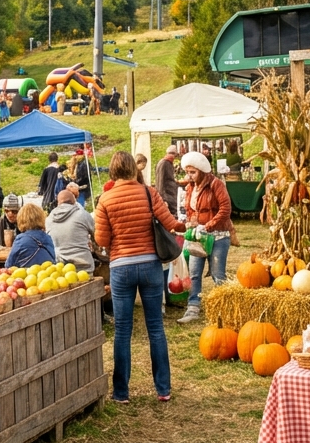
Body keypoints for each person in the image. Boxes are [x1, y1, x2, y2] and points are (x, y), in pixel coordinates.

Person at [94, 151, 184, 404]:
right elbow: (168, 222)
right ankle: (163, 389)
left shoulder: (106, 199)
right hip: (150, 265)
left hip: (121, 267)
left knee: (123, 330)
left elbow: (101, 240)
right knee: (155, 327)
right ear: (134, 168)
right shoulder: (148, 193)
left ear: (112, 171)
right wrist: (185, 225)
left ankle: (121, 392)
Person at [178, 151, 233, 324]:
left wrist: (208, 225)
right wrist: (189, 222)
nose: (190, 176)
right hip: (198, 235)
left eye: (193, 172)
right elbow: (191, 210)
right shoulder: (190, 187)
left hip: (218, 235)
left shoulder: (216, 184)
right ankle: (193, 307)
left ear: (201, 170)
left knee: (218, 274)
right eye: (188, 172)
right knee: (194, 272)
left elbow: (225, 209)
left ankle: (224, 309)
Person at [47, 189, 96, 273]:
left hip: (61, 269)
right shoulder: (82, 214)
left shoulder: (49, 219)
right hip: (84, 267)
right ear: (74, 202)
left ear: (58, 203)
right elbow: (97, 234)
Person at [5, 203, 56, 267]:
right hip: (48, 274)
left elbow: (9, 265)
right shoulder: (48, 238)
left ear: (21, 220)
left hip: (27, 275)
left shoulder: (21, 239)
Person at [155, 145, 180, 217]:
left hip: (169, 193)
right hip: (167, 195)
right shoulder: (164, 163)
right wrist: (163, 198)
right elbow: (160, 181)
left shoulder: (167, 162)